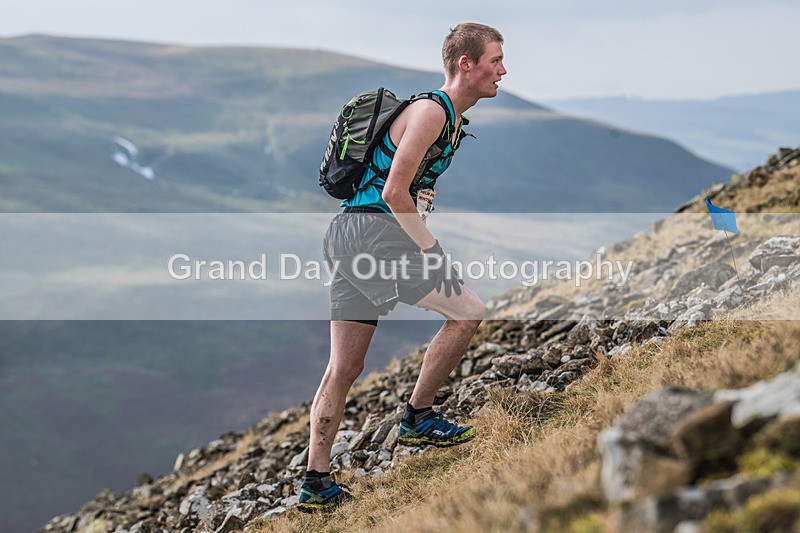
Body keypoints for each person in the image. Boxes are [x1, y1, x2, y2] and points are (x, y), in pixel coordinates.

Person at [297, 22, 506, 512]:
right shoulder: (433, 112)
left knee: (344, 367)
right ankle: (417, 418)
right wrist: (432, 250)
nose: (503, 70)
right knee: (468, 312)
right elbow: (394, 192)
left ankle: (315, 483)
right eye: (495, 60)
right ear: (466, 64)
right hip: (374, 235)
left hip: (349, 234)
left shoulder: (450, 119)